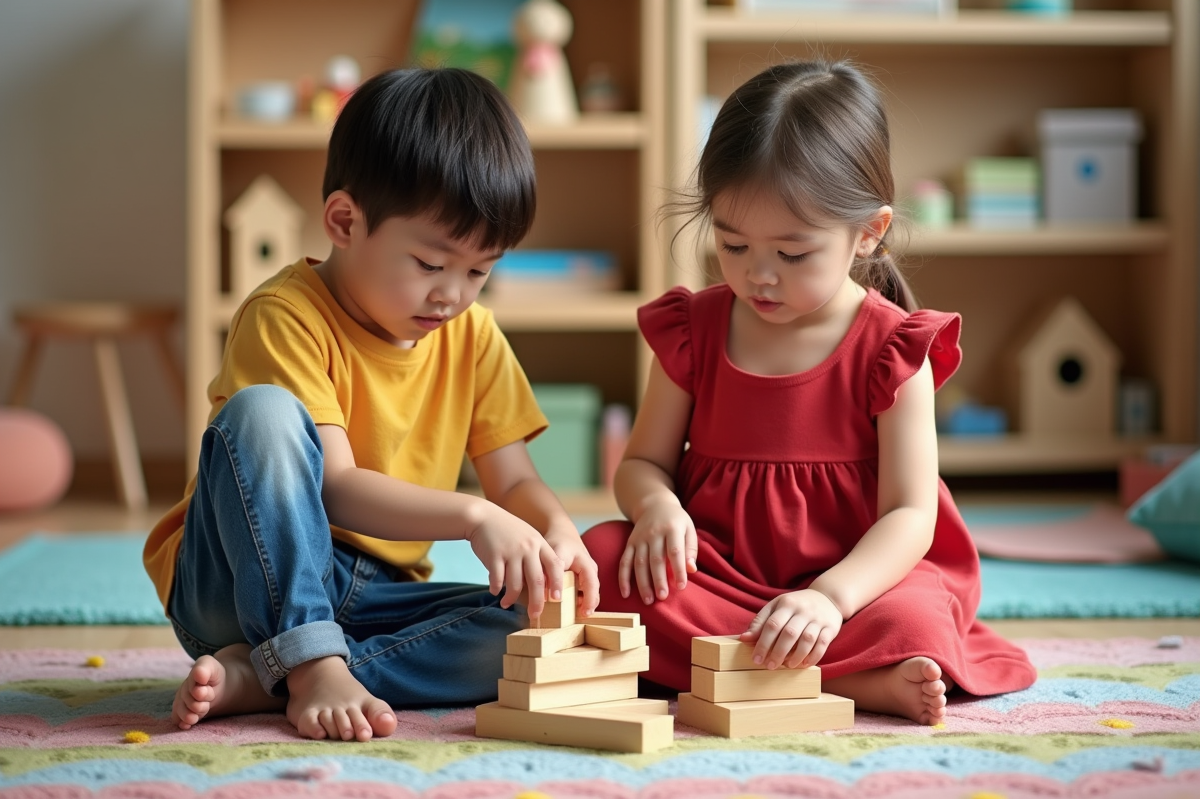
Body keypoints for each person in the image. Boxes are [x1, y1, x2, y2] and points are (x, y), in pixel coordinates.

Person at [143, 68, 598, 742]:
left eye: (479, 271)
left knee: (534, 635)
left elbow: (516, 480)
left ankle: (269, 676)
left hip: (370, 595)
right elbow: (335, 488)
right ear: (345, 221)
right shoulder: (285, 315)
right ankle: (306, 658)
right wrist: (474, 517)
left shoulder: (471, 336)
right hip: (235, 579)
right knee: (263, 412)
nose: (453, 296)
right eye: (430, 263)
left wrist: (556, 533)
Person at [583, 60, 1036, 725]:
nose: (758, 276)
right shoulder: (694, 330)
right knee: (599, 560)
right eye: (733, 245)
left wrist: (830, 597)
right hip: (719, 573)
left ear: (867, 234)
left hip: (854, 584)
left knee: (918, 613)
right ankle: (845, 683)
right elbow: (644, 463)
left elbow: (911, 515)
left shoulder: (893, 350)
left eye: (792, 255)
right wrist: (656, 510)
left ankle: (770, 670)